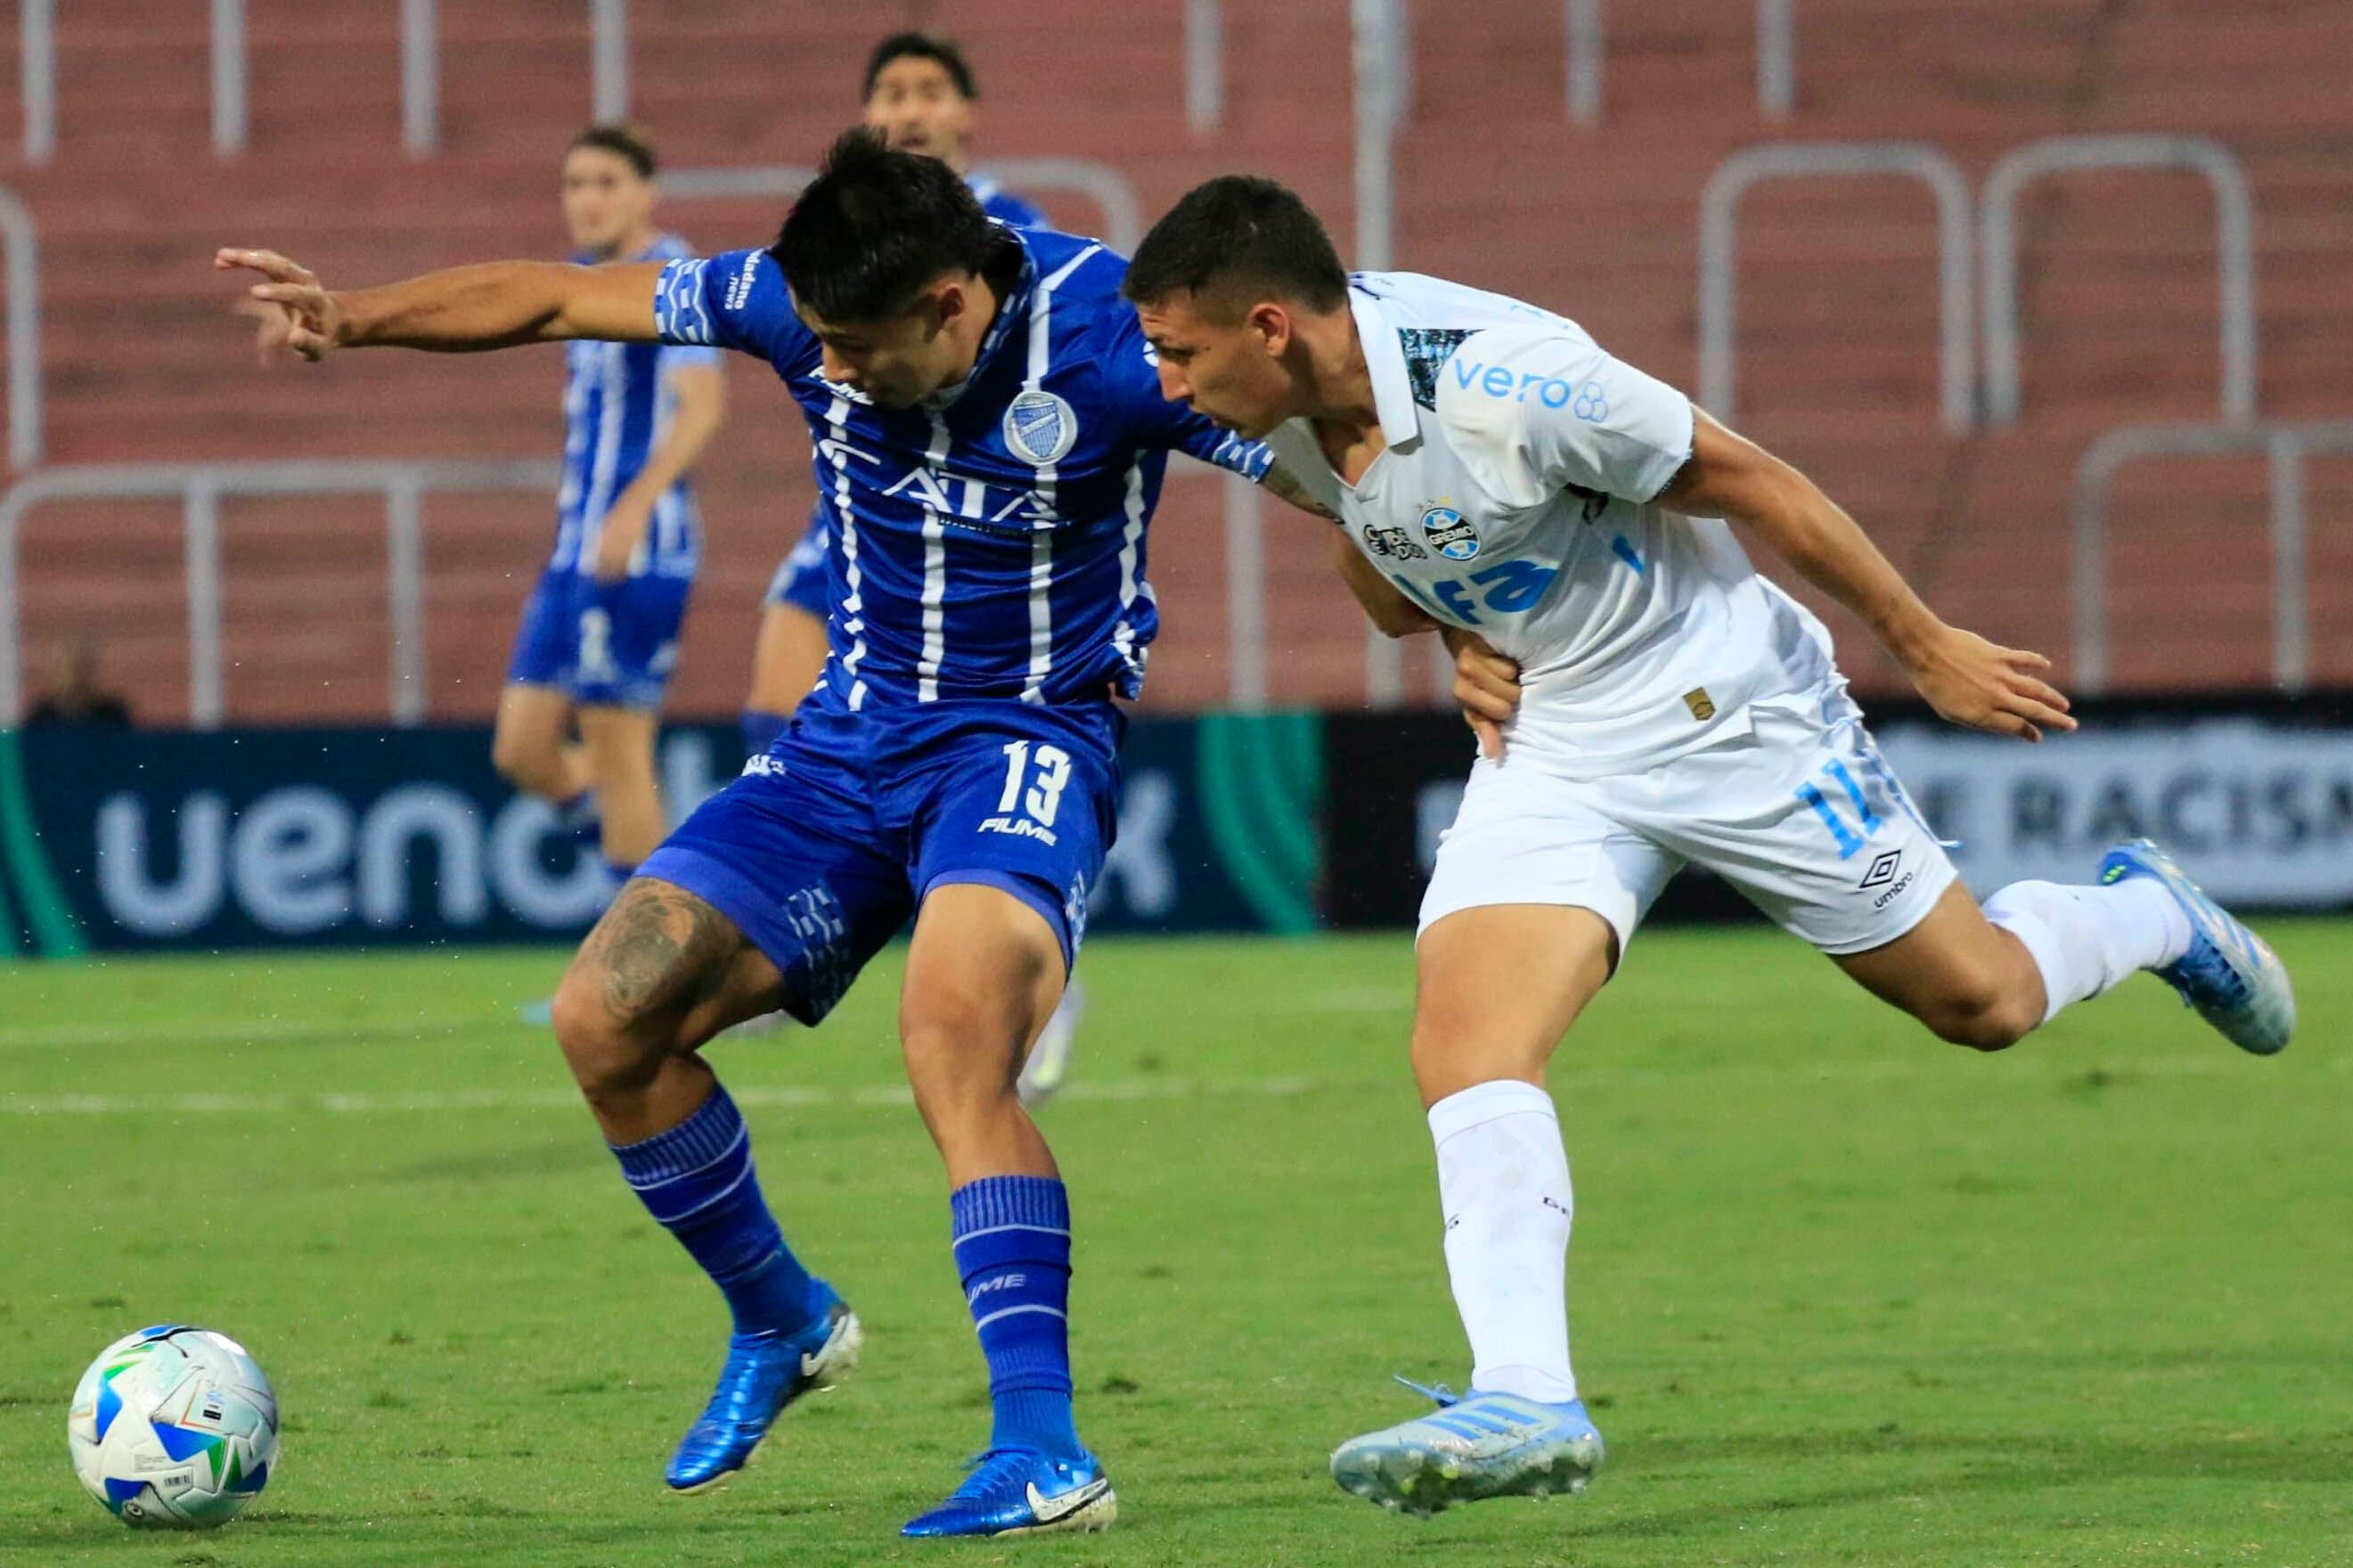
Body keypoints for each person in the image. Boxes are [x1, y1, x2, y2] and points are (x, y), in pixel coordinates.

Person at [1120, 176, 2298, 1517]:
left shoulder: (1516, 381)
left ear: (1269, 325)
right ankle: (1525, 1395)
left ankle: (2146, 915)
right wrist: (1458, 636)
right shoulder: (1276, 419)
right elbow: (1387, 554)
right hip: (1558, 748)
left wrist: (1926, 649)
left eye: (1181, 351)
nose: (1166, 382)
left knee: (1984, 1002)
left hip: (1737, 719)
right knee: (1465, 1040)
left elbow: (1753, 480)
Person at [219, 129, 1283, 1539]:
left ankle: (1040, 1449)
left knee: (952, 1033)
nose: (827, 368)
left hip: (1022, 742)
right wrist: (353, 317)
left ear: (952, 305)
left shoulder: (1115, 335)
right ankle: (779, 1319)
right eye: (816, 339)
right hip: (839, 751)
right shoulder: (784, 297)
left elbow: (1330, 459)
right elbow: (554, 297)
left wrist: (1465, 618)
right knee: (605, 1019)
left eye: (856, 346)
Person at [744, 31, 1080, 1106]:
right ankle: (786, 921)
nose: (912, 108)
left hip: (962, 524)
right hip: (852, 518)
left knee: (983, 775)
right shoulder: (846, 235)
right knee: (769, 692)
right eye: (891, 90)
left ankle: (1032, 957)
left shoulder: (1006, 232)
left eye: (931, 90)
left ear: (968, 115)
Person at [494, 126, 726, 897]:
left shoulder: (669, 275)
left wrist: (635, 506)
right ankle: (680, 908)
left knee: (619, 751)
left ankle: (654, 968)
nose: (586, 200)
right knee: (523, 749)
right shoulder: (582, 282)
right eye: (574, 184)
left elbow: (703, 403)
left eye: (604, 182)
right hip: (573, 554)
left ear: (643, 194)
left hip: (640, 549)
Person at [25, 639, 133, 725]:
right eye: (66, 667)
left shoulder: (112, 716)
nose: (74, 675)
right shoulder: (42, 719)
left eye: (81, 666)